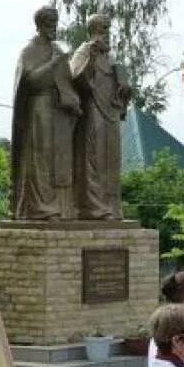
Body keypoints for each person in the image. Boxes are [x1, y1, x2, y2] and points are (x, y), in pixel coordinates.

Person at [11, 6, 81, 220]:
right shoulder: (29, 51)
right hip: (38, 108)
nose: (54, 27)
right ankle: (41, 207)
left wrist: (73, 101)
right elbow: (31, 81)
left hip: (58, 110)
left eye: (56, 22)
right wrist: (53, 63)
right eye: (50, 23)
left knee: (56, 160)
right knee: (39, 158)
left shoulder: (58, 50)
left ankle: (61, 206)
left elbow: (66, 80)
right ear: (40, 24)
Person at [70, 13, 132, 220]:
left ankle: (112, 207)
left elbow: (119, 90)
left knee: (111, 161)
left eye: (107, 30)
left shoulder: (111, 59)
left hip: (111, 112)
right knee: (93, 158)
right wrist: (91, 57)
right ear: (92, 31)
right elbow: (75, 76)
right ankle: (93, 208)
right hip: (92, 110)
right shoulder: (85, 50)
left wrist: (124, 89)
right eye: (101, 29)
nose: (105, 34)